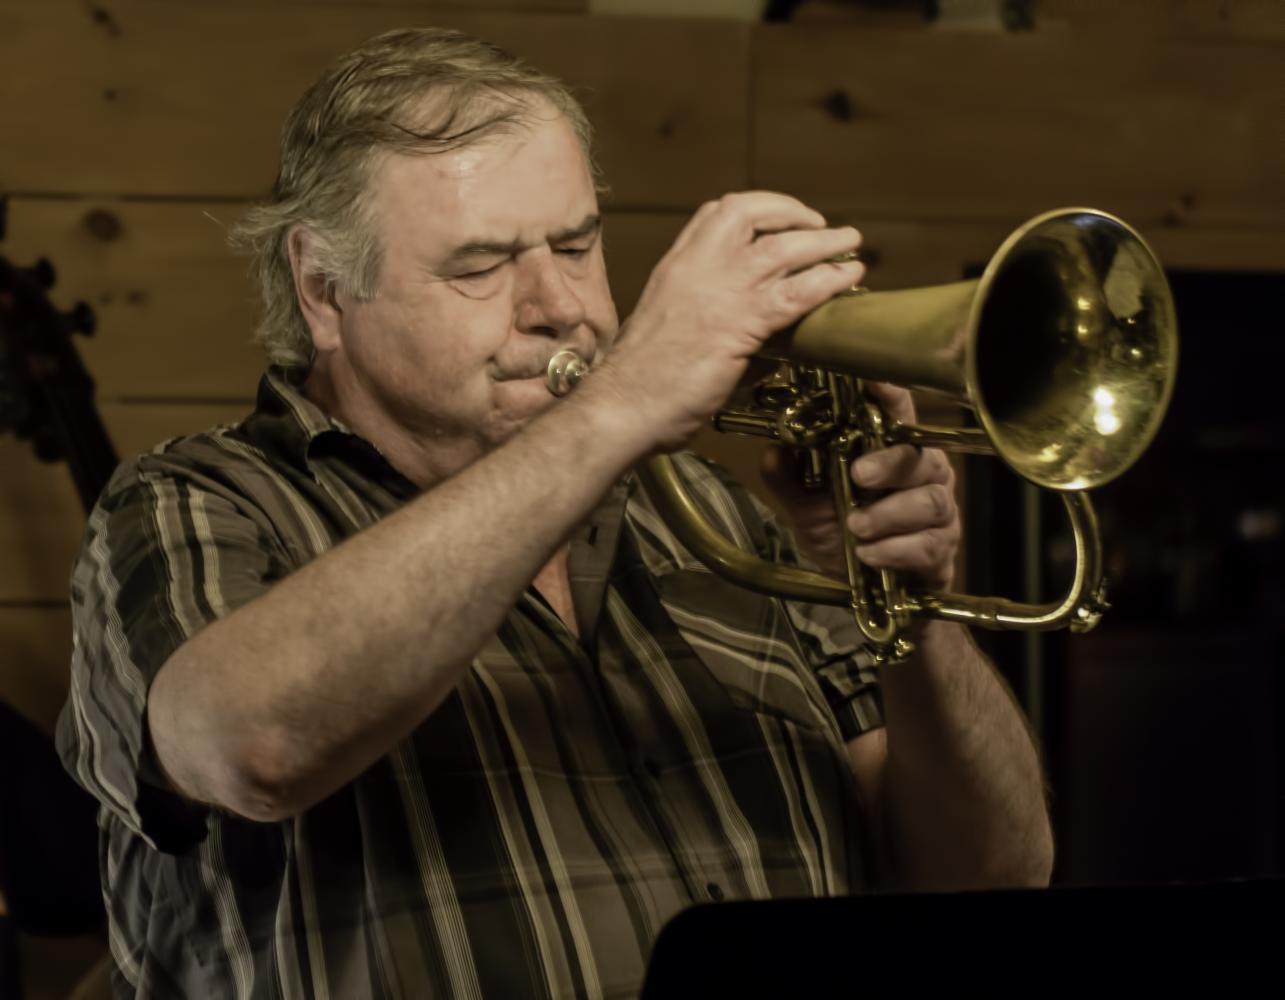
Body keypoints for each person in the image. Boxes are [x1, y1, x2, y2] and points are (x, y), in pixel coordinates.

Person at [57, 26, 1052, 998]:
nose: (558, 304)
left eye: (576, 244)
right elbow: (248, 747)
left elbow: (992, 878)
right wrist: (621, 404)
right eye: (480, 266)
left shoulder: (714, 514)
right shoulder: (191, 501)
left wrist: (910, 613)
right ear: (323, 288)